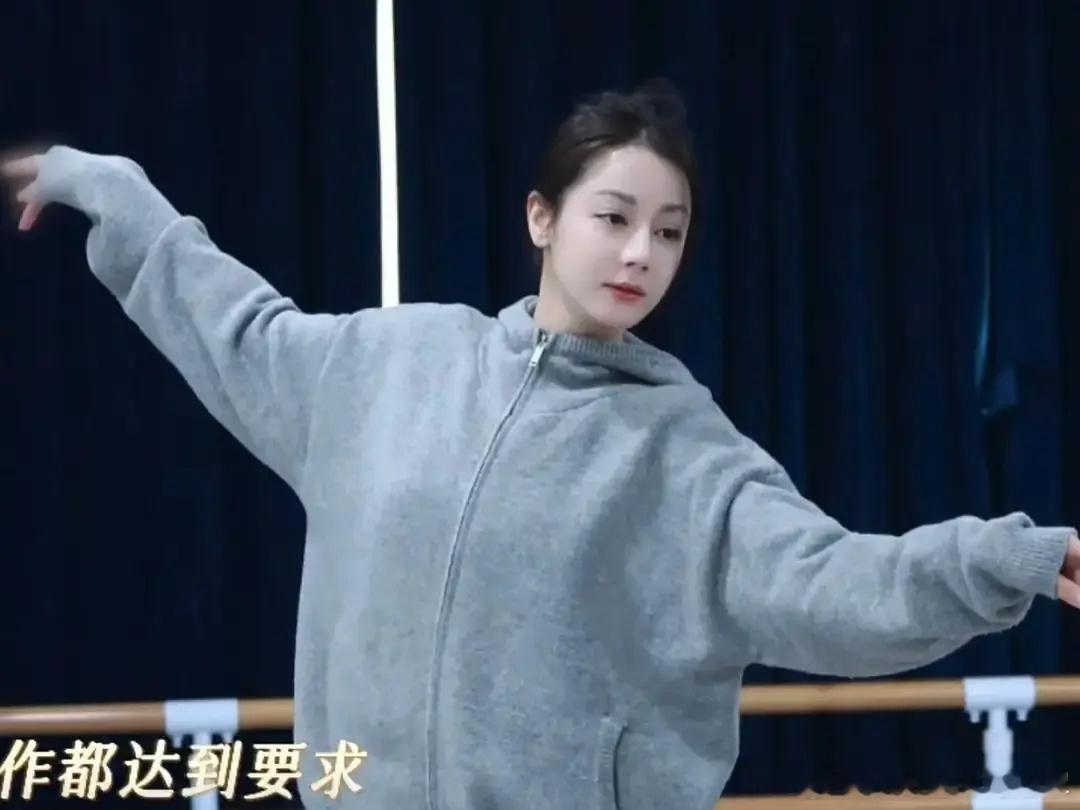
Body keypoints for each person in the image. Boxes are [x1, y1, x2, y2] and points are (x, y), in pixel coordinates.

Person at [3, 81, 1079, 810]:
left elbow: (836, 583)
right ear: (541, 218)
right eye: (614, 216)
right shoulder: (391, 365)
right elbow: (237, 327)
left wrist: (1004, 558)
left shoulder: (684, 452)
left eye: (669, 230)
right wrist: (116, 195)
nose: (640, 252)